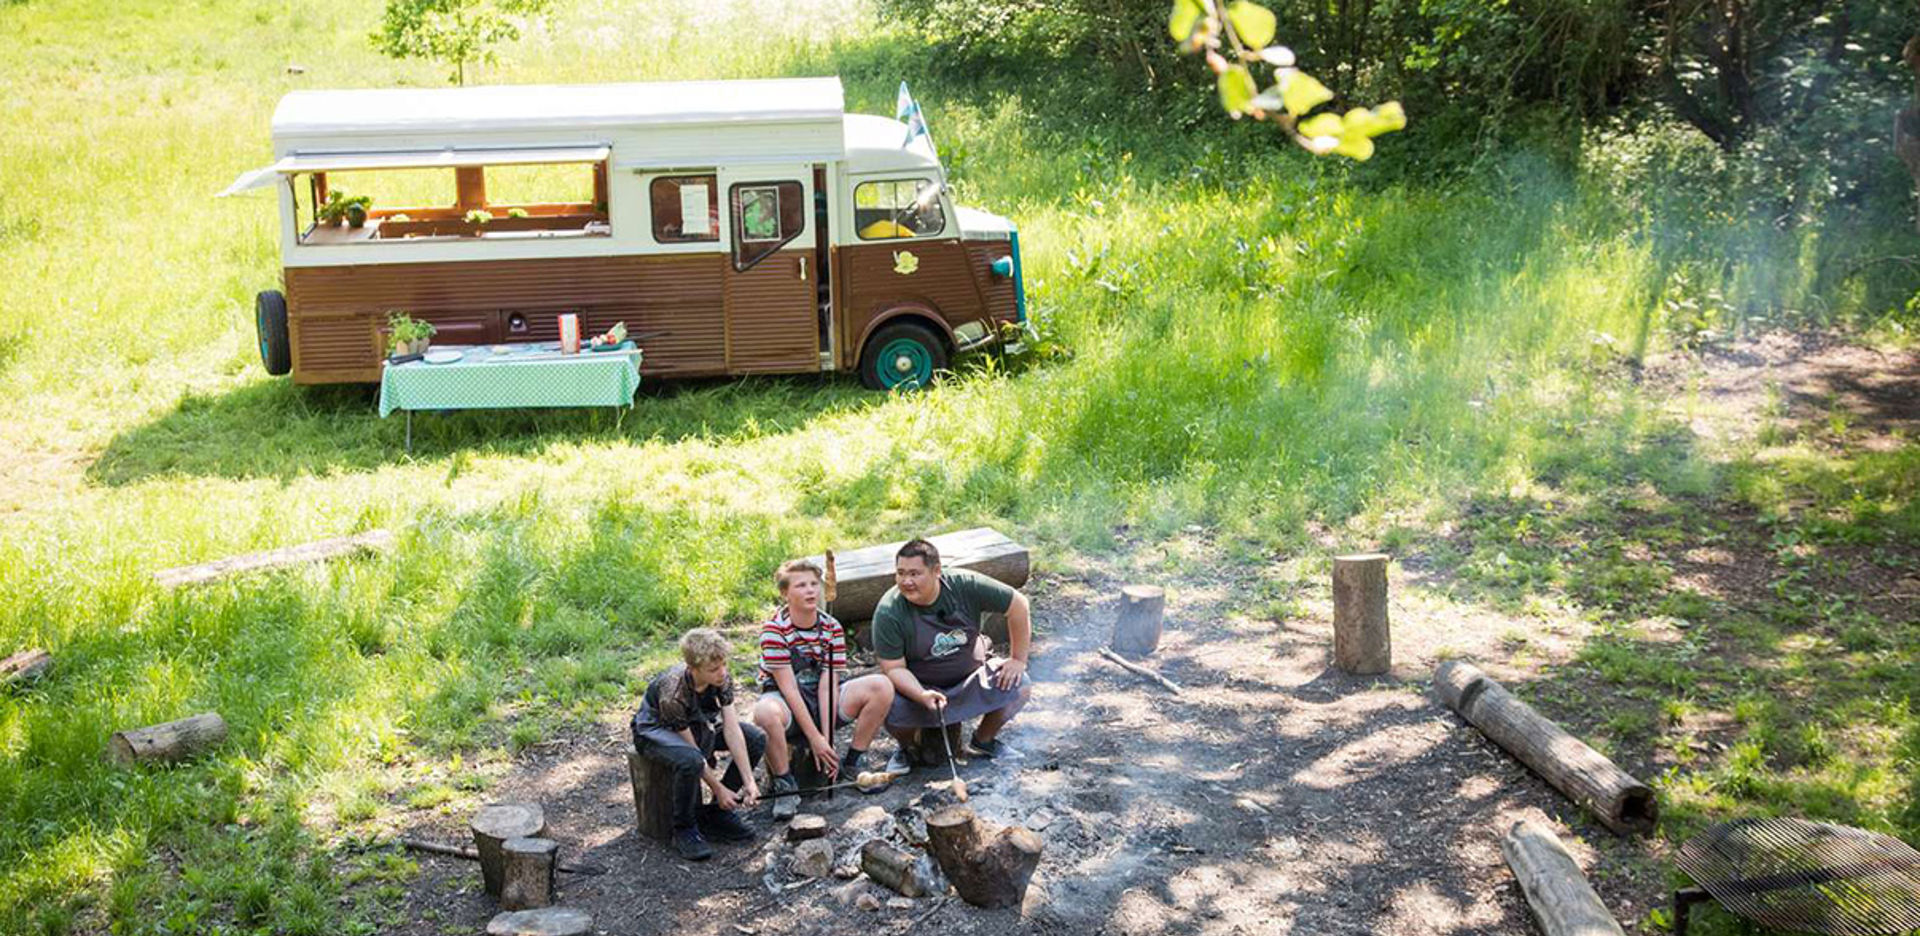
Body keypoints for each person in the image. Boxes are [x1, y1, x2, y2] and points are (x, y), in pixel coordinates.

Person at [750, 559, 897, 819]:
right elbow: (790, 689)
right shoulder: (774, 631)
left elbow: (827, 685)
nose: (810, 591)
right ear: (785, 593)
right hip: (787, 701)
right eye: (801, 585)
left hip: (822, 697)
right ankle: (784, 784)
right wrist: (814, 739)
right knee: (763, 712)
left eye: (814, 584)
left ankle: (853, 762)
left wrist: (826, 736)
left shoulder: (831, 627)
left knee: (881, 685)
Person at [873, 538, 1033, 775]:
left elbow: (1018, 605)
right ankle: (907, 748)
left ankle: (984, 740)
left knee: (1020, 684)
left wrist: (1018, 659)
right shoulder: (889, 611)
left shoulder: (965, 585)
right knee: (888, 702)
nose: (906, 581)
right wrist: (921, 694)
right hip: (919, 688)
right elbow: (894, 669)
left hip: (971, 679)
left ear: (936, 571)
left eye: (915, 574)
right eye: (900, 573)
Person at [631, 628, 764, 861]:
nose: (722, 672)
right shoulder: (673, 692)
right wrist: (717, 787)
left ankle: (717, 813)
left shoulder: (722, 678)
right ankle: (684, 828)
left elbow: (732, 728)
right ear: (693, 669)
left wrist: (749, 781)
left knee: (755, 738)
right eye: (713, 669)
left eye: (724, 665)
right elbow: (693, 751)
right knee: (690, 761)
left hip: (699, 724)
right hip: (656, 731)